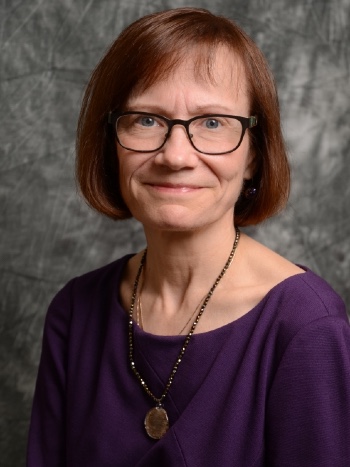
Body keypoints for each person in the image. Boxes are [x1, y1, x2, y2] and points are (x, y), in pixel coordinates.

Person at [27, 7, 350, 467]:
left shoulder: (305, 327)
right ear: (111, 143)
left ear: (254, 156)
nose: (175, 155)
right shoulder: (74, 312)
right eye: (146, 120)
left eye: (213, 123)